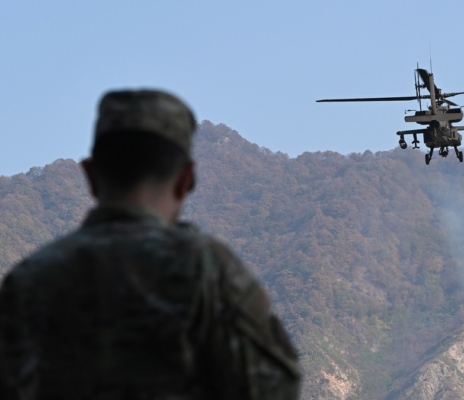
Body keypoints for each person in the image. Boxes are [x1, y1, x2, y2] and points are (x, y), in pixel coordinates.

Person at [0, 90, 301, 399]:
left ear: (90, 174)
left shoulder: (27, 281)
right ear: (186, 179)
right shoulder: (207, 270)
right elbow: (274, 388)